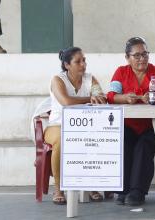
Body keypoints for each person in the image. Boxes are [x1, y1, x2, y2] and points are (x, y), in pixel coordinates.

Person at [107, 37, 155, 206]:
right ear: (127, 58)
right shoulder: (121, 72)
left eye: (145, 54)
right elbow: (111, 96)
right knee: (123, 143)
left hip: (152, 125)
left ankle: (137, 191)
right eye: (136, 55)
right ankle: (123, 190)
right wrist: (124, 97)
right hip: (128, 125)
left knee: (144, 146)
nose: (142, 59)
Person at [44, 47, 107, 204]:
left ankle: (91, 185)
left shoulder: (90, 79)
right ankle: (58, 189)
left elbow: (101, 97)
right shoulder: (57, 80)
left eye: (84, 60)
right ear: (67, 65)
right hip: (58, 125)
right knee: (61, 139)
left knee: (97, 139)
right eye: (78, 61)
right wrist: (89, 98)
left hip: (85, 126)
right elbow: (66, 102)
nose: (83, 64)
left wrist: (95, 97)